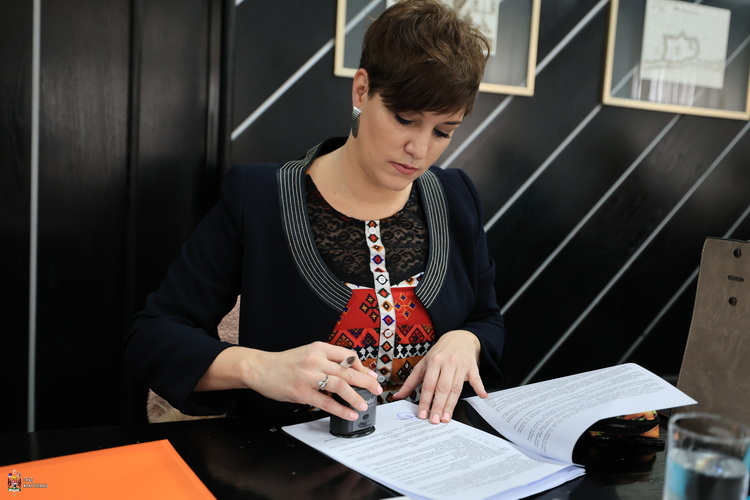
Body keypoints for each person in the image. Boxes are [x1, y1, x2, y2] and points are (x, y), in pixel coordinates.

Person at [125, 0, 505, 427]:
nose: (420, 150)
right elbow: (152, 337)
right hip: (287, 458)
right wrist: (260, 367)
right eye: (404, 120)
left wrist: (466, 340)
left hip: (430, 454)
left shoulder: (455, 197)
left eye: (443, 132)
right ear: (361, 90)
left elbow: (486, 319)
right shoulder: (259, 198)